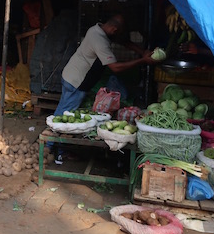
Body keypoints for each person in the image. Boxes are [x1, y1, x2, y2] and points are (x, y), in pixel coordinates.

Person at [52, 15, 156, 164]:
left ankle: (57, 146)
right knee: (64, 117)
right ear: (114, 29)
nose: (119, 37)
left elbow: (122, 41)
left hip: (72, 76)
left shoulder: (100, 29)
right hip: (76, 82)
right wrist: (143, 60)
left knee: (63, 111)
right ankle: (55, 150)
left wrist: (141, 51)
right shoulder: (99, 39)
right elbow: (115, 67)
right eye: (119, 33)